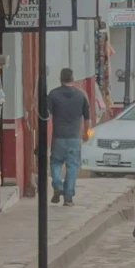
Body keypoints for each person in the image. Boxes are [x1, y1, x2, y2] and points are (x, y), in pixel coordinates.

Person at [47, 68, 89, 203]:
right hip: (75, 137)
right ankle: (68, 197)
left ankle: (58, 185)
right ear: (73, 78)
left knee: (55, 162)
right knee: (72, 166)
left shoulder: (53, 95)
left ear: (61, 78)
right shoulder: (81, 95)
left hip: (58, 137)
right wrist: (86, 134)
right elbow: (87, 119)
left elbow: (46, 115)